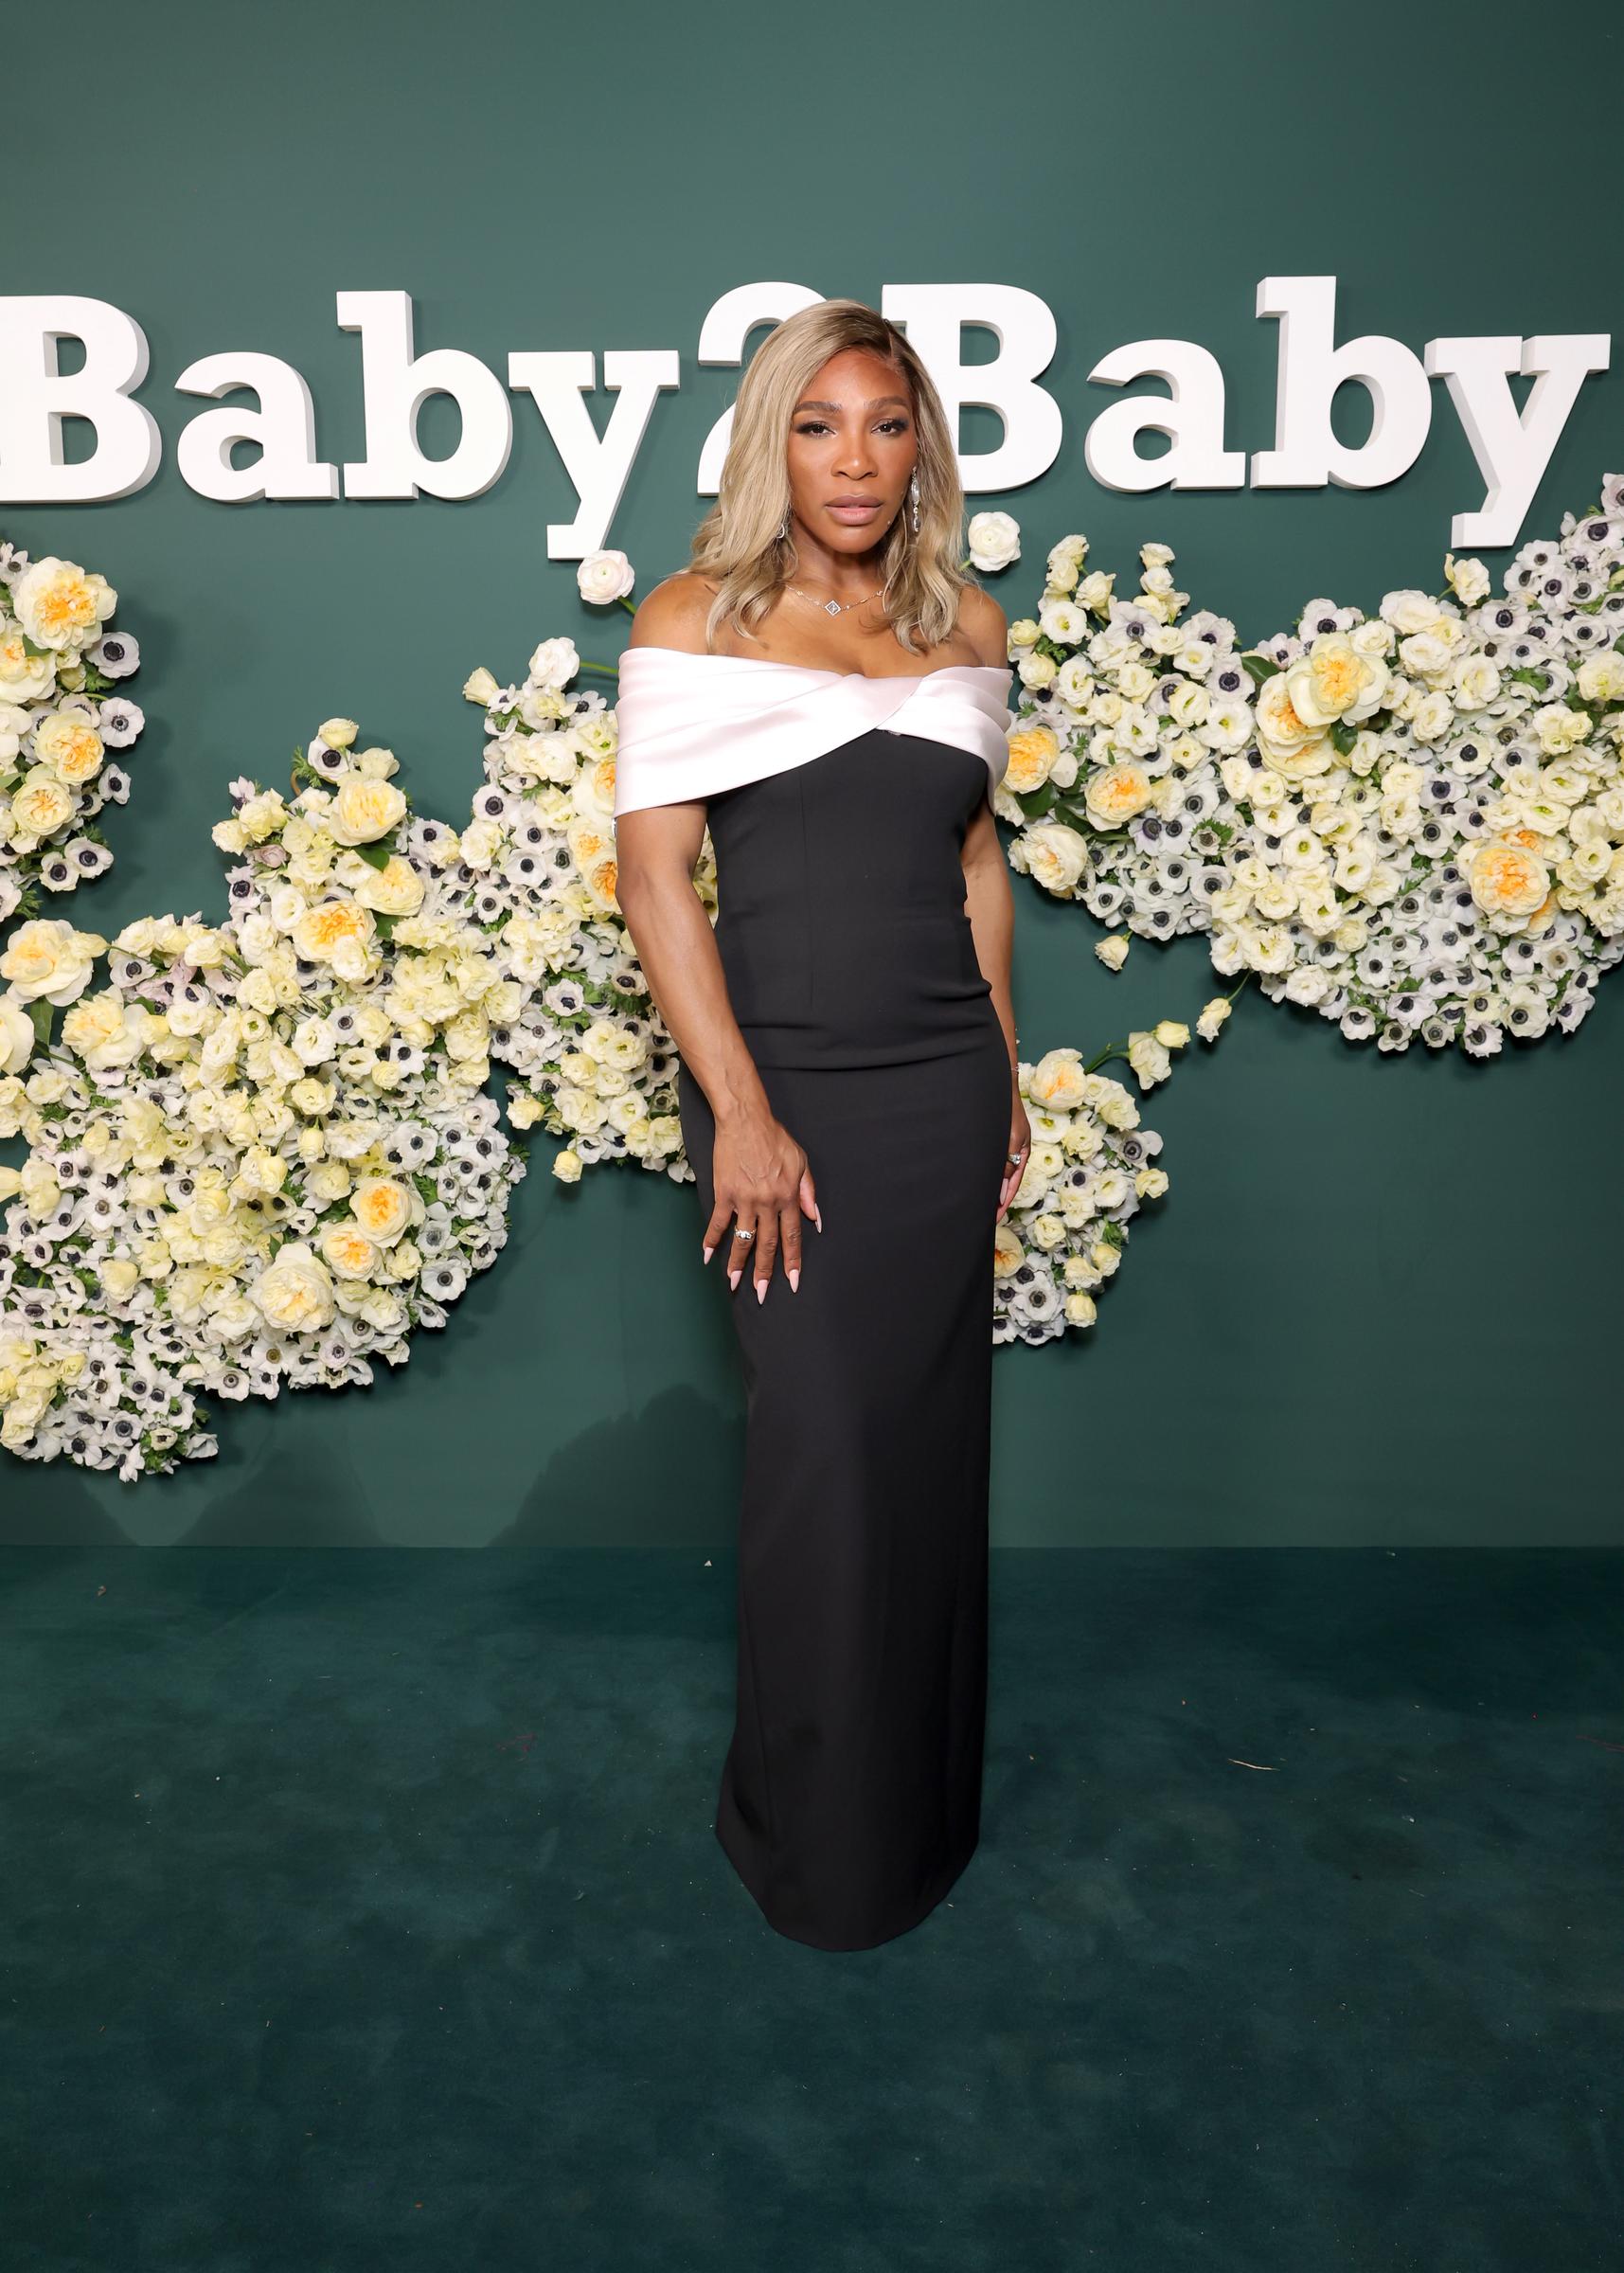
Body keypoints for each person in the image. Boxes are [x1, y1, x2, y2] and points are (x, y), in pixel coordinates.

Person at [612, 298, 1028, 1951]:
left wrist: (1006, 1071)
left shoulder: (967, 624)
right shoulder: (697, 618)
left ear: (922, 442)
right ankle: (812, 1838)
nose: (854, 460)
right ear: (769, 440)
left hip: (943, 1090)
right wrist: (742, 1114)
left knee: (926, 1460)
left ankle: (918, 1817)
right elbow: (656, 884)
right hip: (786, 1092)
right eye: (817, 424)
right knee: (826, 1461)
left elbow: (977, 862)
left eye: (886, 423)